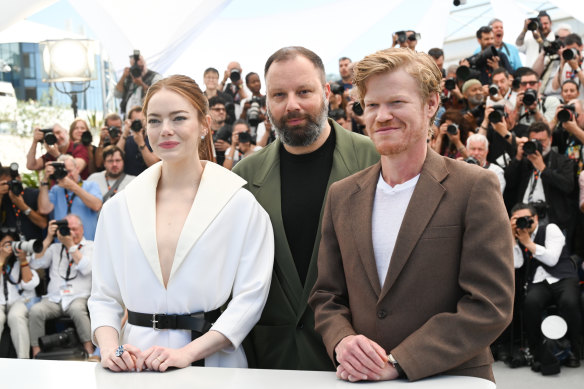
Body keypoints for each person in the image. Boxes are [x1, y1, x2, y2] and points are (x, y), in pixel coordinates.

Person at [309, 48, 514, 383]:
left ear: (431, 104)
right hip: (362, 379)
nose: (382, 115)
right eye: (372, 105)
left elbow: (490, 304)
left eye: (397, 103)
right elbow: (326, 296)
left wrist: (400, 361)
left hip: (451, 377)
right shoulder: (342, 195)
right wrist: (342, 341)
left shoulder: (474, 186)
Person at [88, 75, 274, 372]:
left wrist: (187, 354)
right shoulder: (119, 207)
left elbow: (250, 299)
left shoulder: (238, 204)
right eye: (154, 120)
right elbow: (103, 296)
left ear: (204, 125)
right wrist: (111, 349)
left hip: (210, 364)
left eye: (179, 118)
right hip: (134, 365)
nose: (166, 130)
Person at [232, 46, 379, 371]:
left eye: (304, 92)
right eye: (279, 95)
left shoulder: (374, 160)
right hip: (273, 357)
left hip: (357, 356)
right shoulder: (245, 175)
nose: (292, 105)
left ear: (326, 92)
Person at [510, 203, 581, 370]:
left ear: (535, 218)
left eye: (524, 219)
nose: (522, 223)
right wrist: (512, 239)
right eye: (516, 220)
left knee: (570, 303)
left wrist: (528, 242)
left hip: (563, 278)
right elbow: (517, 263)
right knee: (530, 304)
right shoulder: (517, 235)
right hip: (538, 281)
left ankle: (575, 352)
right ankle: (537, 352)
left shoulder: (550, 229)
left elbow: (552, 259)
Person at [29, 215, 94, 358]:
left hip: (78, 297)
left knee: (78, 310)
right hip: (55, 299)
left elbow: (87, 269)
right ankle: (36, 353)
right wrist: (48, 238)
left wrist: (71, 246)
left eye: (74, 229)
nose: (70, 233)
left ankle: (90, 352)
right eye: (67, 229)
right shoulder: (54, 247)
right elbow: (34, 264)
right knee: (35, 311)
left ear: (82, 229)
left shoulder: (91, 246)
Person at [37, 155, 103, 241]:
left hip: (87, 245)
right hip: (62, 247)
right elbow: (44, 209)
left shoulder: (91, 185)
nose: (67, 175)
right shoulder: (56, 190)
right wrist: (45, 180)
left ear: (77, 169)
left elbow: (97, 206)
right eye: (64, 172)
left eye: (69, 171)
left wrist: (73, 187)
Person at [0, 229, 39, 359]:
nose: (10, 247)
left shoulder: (24, 259)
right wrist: (2, 258)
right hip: (1, 302)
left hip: (21, 300)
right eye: (6, 244)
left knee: (16, 316)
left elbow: (29, 283)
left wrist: (23, 260)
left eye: (12, 243)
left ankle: (23, 359)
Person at [0, 166, 47, 240]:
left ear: (19, 178)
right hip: (11, 247)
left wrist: (23, 206)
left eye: (11, 182)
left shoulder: (35, 194)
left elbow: (43, 224)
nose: (10, 186)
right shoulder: (4, 198)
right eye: (6, 184)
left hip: (36, 245)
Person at [116, 106, 160, 176]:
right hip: (130, 182)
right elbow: (115, 155)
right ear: (130, 122)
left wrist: (141, 143)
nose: (138, 124)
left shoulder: (155, 139)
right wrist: (125, 133)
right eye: (135, 121)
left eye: (141, 121)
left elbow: (153, 164)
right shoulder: (126, 140)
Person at [115, 51, 162, 116]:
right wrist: (123, 76)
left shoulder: (155, 77)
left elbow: (159, 95)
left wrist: (142, 84)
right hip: (129, 117)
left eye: (141, 66)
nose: (139, 69)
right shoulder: (128, 78)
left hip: (147, 116)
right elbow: (117, 94)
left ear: (145, 63)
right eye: (135, 67)